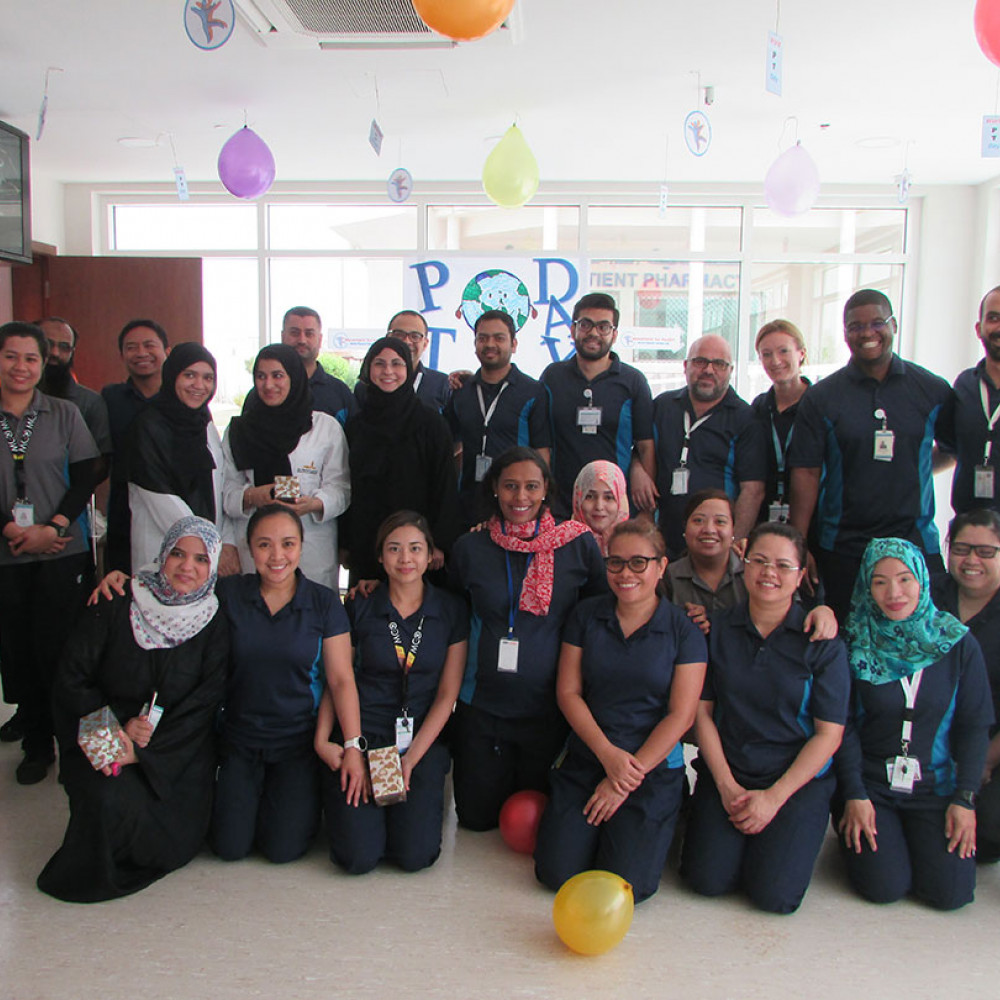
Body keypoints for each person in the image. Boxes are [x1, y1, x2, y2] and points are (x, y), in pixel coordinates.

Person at [37, 516, 228, 902]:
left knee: (174, 827)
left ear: (213, 567)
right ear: (163, 555)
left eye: (201, 559)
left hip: (175, 750)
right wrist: (117, 736)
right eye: (177, 554)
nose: (187, 567)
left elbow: (205, 702)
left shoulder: (212, 618)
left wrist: (144, 751)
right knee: (109, 798)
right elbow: (73, 678)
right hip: (102, 729)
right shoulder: (118, 601)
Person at [680, 522, 849, 913]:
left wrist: (773, 799)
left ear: (800, 576)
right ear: (745, 564)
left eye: (783, 565)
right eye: (759, 561)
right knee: (706, 881)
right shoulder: (717, 628)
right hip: (730, 772)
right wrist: (724, 785)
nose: (769, 573)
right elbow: (702, 713)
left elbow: (828, 735)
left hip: (793, 782)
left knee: (774, 897)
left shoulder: (821, 642)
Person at [534, 519, 706, 902]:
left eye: (639, 563)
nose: (625, 573)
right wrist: (608, 756)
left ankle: (666, 817)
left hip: (649, 767)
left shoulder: (684, 631)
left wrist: (623, 778)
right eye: (615, 563)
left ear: (661, 567)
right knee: (555, 874)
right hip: (590, 753)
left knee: (628, 885)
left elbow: (682, 715)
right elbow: (569, 692)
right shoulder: (585, 616)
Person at [449, 446, 606, 830]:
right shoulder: (471, 546)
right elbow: (451, 610)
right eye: (510, 487)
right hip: (482, 705)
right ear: (495, 490)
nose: (520, 498)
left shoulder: (577, 543)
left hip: (549, 708)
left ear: (546, 490)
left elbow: (598, 612)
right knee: (476, 819)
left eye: (531, 487)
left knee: (538, 815)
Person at [835, 538, 993, 910]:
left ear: (922, 580)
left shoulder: (956, 644)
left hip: (934, 787)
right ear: (866, 586)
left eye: (905, 579)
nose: (894, 593)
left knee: (950, 893)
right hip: (871, 786)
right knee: (884, 886)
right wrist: (854, 794)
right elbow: (842, 726)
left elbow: (974, 725)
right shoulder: (854, 641)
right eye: (880, 581)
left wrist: (965, 799)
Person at [211, 504, 366, 863]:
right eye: (265, 545)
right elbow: (179, 589)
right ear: (250, 548)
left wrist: (353, 745)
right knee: (229, 847)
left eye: (287, 544)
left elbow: (341, 679)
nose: (277, 556)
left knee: (283, 850)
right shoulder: (229, 594)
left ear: (301, 546)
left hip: (296, 742)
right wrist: (127, 582)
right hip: (239, 739)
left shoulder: (323, 602)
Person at [788, 289, 954, 620]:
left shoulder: (931, 389)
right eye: (855, 326)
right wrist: (799, 544)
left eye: (877, 323)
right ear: (845, 332)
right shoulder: (823, 397)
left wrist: (912, 470)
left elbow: (951, 450)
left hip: (915, 544)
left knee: (917, 644)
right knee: (845, 646)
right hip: (843, 547)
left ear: (894, 324)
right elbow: (805, 473)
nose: (866, 333)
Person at [319, 511, 468, 873]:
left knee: (414, 856)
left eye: (416, 549)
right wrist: (334, 741)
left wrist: (411, 759)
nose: (405, 559)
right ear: (381, 557)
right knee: (358, 858)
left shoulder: (451, 609)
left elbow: (447, 694)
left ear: (430, 556)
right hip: (364, 736)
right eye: (395, 549)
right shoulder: (359, 604)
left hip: (419, 742)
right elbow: (338, 680)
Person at [0, 321, 102, 784]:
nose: (21, 367)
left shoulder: (63, 414)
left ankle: (76, 746)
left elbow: (85, 476)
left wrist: (54, 525)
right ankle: (36, 744)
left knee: (63, 652)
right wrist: (10, 528)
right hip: (8, 553)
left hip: (61, 550)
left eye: (31, 358)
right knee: (19, 653)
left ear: (44, 365)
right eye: (11, 356)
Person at [221, 344, 349, 590]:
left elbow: (342, 488)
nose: (268, 385)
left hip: (312, 548)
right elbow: (225, 492)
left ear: (295, 377)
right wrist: (250, 497)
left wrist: (315, 503)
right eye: (261, 376)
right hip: (256, 549)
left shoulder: (324, 427)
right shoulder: (239, 431)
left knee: (313, 619)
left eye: (278, 375)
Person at [341, 337, 460, 584]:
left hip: (417, 546)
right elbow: (346, 486)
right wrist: (345, 543)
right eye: (379, 363)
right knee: (369, 613)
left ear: (409, 369)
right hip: (367, 541)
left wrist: (439, 543)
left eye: (397, 364)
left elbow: (445, 485)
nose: (388, 371)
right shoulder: (356, 426)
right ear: (368, 369)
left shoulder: (430, 424)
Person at [645, 334, 766, 558]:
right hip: (664, 540)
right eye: (700, 361)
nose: (709, 370)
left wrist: (733, 543)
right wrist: (636, 470)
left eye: (719, 364)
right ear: (685, 366)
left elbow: (753, 490)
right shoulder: (663, 406)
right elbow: (643, 451)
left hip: (715, 544)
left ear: (730, 371)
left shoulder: (746, 419)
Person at [539, 293, 655, 518]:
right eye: (585, 325)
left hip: (615, 510)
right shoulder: (553, 377)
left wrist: (646, 511)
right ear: (573, 330)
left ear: (614, 334)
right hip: (562, 508)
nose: (593, 333)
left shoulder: (633, 381)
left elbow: (646, 446)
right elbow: (542, 445)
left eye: (603, 326)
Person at [125, 342, 234, 574]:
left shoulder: (204, 422)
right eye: (190, 375)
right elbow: (159, 496)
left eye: (208, 378)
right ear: (172, 375)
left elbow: (218, 484)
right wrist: (206, 544)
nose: (199, 385)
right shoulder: (148, 425)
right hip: (162, 547)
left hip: (205, 554)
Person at [930, 508, 1000, 861]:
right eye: (961, 549)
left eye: (986, 552)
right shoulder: (928, 595)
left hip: (992, 745)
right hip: (931, 740)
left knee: (987, 832)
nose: (972, 560)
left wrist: (984, 760)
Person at [444, 309, 551, 528]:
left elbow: (542, 453)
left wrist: (539, 503)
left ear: (514, 344)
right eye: (483, 338)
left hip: (516, 504)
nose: (490, 344)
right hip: (469, 503)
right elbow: (450, 445)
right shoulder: (462, 392)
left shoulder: (533, 392)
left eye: (499, 338)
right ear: (475, 344)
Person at [101, 319, 170, 572]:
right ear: (122, 355)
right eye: (131, 347)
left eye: (149, 345)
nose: (141, 353)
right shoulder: (110, 398)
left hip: (173, 505)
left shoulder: (182, 398)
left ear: (167, 351)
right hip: (124, 509)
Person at [938, 285, 1000, 517]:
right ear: (979, 328)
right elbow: (949, 449)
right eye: (993, 318)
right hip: (968, 525)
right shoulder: (965, 384)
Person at [37, 316, 112, 481]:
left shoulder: (90, 403)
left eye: (64, 347)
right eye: (48, 343)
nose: (55, 353)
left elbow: (100, 464)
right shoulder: (9, 398)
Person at [749, 320, 810, 524]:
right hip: (764, 515)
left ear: (801, 353)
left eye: (783, 351)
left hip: (811, 518)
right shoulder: (758, 407)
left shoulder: (820, 405)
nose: (775, 361)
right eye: (766, 354)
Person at [665, 490, 746, 629]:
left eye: (720, 521)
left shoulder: (750, 572)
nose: (709, 529)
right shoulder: (667, 576)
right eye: (698, 521)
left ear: (733, 530)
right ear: (685, 528)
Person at [354, 311, 451, 412]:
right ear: (387, 338)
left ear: (425, 344)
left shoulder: (444, 385)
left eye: (415, 336)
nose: (406, 341)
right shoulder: (365, 387)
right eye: (399, 334)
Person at [280, 306, 358, 427]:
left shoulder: (340, 393)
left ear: (320, 339)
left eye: (309, 333)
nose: (302, 340)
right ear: (283, 337)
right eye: (294, 333)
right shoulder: (268, 391)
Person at [571, 459, 628, 555]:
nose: (599, 506)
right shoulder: (564, 545)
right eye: (590, 497)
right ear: (578, 499)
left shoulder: (635, 546)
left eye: (608, 497)